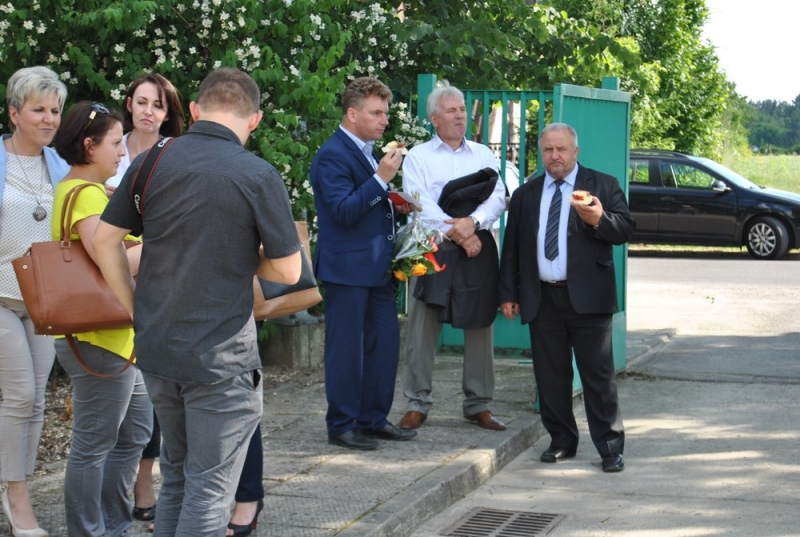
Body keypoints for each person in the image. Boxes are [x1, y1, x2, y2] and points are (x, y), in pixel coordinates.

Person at [91, 68, 302, 537]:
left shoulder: (152, 161)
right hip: (220, 359)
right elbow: (290, 272)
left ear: (194, 109)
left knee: (177, 478)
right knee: (208, 493)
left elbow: (105, 241)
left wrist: (134, 309)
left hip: (158, 348)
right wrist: (241, 254)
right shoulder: (257, 174)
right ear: (255, 119)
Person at [498, 122, 635, 473]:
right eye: (548, 149)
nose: (554, 156)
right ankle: (561, 441)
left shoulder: (603, 185)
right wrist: (509, 292)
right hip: (542, 298)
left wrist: (599, 218)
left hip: (589, 299)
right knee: (550, 377)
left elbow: (624, 230)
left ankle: (610, 447)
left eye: (561, 149)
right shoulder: (527, 194)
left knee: (598, 378)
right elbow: (512, 247)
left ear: (575, 151)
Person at [50, 101, 153, 536]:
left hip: (115, 336)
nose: (121, 151)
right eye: (114, 143)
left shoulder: (87, 191)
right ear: (89, 147)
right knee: (93, 445)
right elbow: (112, 260)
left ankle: (113, 526)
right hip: (99, 338)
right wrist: (165, 236)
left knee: (135, 432)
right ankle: (91, 531)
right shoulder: (86, 193)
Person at [310, 76, 416, 450]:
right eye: (376, 113)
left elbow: (367, 202)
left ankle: (372, 418)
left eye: (385, 113)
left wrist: (395, 204)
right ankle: (341, 424)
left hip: (378, 268)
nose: (385, 120)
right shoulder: (333, 154)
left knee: (384, 345)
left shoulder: (368, 151)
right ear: (352, 114)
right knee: (346, 351)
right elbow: (342, 211)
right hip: (346, 271)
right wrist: (381, 179)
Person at [399, 84, 507, 432]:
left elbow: (497, 196)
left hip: (477, 245)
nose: (460, 116)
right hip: (433, 247)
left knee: (480, 324)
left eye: (462, 109)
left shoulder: (482, 154)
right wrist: (459, 232)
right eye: (452, 111)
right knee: (422, 326)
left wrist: (472, 223)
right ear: (434, 119)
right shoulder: (418, 156)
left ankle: (479, 404)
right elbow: (418, 201)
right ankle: (417, 402)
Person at [106, 72, 184, 528]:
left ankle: (146, 486)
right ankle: (121, 492)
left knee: (154, 393)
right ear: (129, 105)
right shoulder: (108, 149)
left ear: (168, 112)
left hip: (159, 281)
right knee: (121, 396)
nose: (148, 111)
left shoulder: (175, 153)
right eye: (141, 102)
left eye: (158, 104)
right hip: (109, 281)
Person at [0, 65, 69, 537]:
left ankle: (14, 486)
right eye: (39, 109)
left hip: (45, 303)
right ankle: (18, 497)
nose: (49, 119)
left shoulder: (60, 166)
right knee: (21, 395)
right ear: (14, 113)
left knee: (37, 400)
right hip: (1, 297)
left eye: (55, 110)